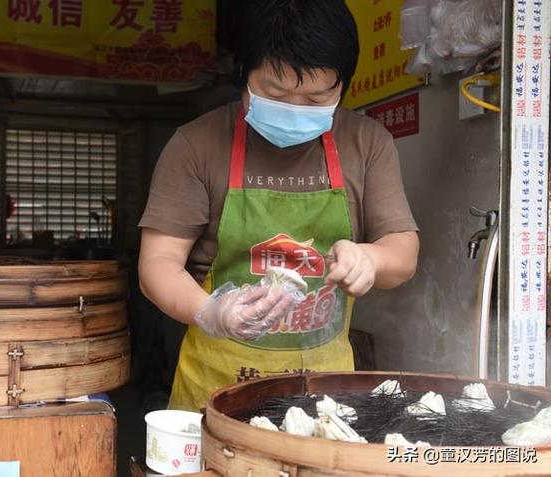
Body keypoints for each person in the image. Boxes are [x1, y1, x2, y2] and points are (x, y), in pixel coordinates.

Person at [138, 0, 419, 412]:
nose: (294, 110)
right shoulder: (196, 145)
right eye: (275, 92)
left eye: (316, 98)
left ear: (343, 86)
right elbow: (157, 263)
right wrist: (212, 311)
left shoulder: (367, 143)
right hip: (214, 391)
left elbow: (403, 250)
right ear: (243, 75)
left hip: (325, 394)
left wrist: (370, 258)